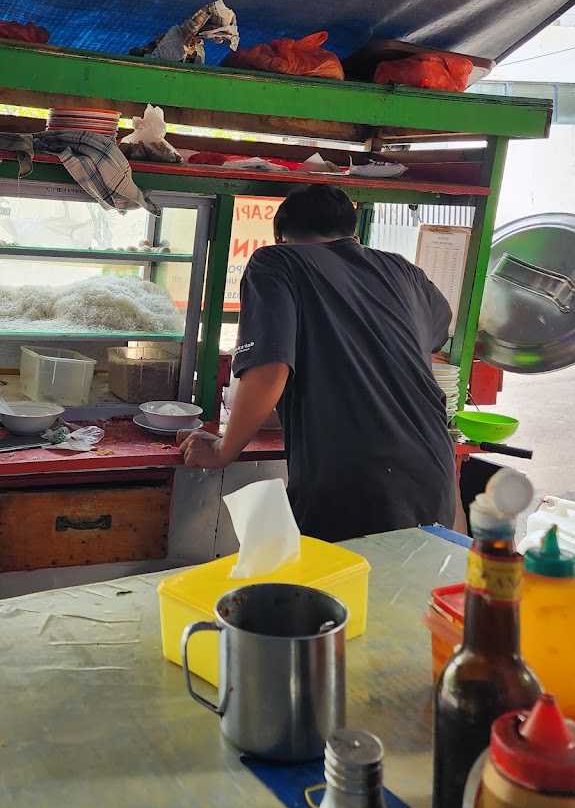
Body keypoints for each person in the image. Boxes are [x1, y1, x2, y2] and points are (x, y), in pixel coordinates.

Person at [178, 184, 456, 541]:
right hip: (433, 467)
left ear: (280, 236)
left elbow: (268, 371)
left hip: (353, 478)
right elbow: (436, 333)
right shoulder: (406, 272)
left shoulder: (277, 262)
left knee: (338, 589)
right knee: (408, 591)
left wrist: (221, 449)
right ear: (352, 233)